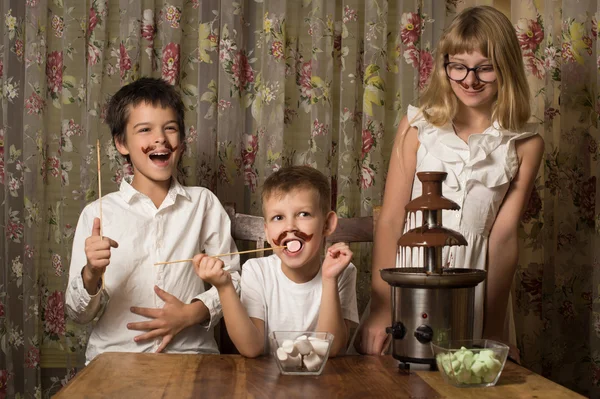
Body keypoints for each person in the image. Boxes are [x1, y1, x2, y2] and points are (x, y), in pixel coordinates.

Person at [355, 6, 544, 358]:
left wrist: (490, 331)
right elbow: (393, 218)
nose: (469, 80)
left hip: (475, 290)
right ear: (445, 66)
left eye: (485, 68)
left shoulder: (525, 145)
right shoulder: (417, 127)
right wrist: (382, 307)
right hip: (408, 285)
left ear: (506, 68)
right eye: (458, 66)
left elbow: (502, 239)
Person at [65, 77, 240, 364]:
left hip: (191, 357)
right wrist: (91, 273)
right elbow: (78, 314)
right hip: (115, 361)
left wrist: (192, 313)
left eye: (169, 128)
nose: (160, 138)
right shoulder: (97, 213)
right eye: (145, 130)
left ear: (180, 143)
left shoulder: (203, 203)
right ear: (122, 143)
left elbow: (234, 279)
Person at [194, 166, 359, 357]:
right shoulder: (256, 271)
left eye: (303, 214)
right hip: (267, 383)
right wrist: (224, 288)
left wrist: (329, 279)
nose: (290, 227)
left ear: (327, 224)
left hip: (324, 382)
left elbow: (331, 350)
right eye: (278, 217)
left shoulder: (343, 271)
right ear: (266, 231)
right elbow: (251, 348)